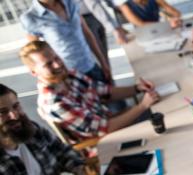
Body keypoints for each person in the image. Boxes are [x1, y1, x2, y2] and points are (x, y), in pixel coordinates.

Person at [19, 41, 160, 141]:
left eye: (56, 58)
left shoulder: (70, 75)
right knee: (163, 117)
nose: (57, 64)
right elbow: (105, 129)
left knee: (162, 109)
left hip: (112, 123)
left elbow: (105, 92)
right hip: (106, 142)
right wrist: (142, 106)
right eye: (48, 64)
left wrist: (136, 89)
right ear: (34, 72)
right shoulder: (54, 103)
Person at [20, 0, 112, 84]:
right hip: (68, 75)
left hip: (91, 66)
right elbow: (36, 55)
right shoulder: (30, 17)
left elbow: (87, 34)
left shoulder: (70, 3)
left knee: (115, 100)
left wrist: (103, 63)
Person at [0, 84, 85, 174]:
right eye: (3, 112)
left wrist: (78, 169)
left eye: (16, 106)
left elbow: (63, 151)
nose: (14, 116)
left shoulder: (33, 129)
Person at [116, 0, 182, 28]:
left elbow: (176, 13)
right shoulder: (125, 6)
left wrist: (174, 18)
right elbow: (140, 24)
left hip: (160, 29)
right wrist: (167, 24)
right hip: (143, 34)